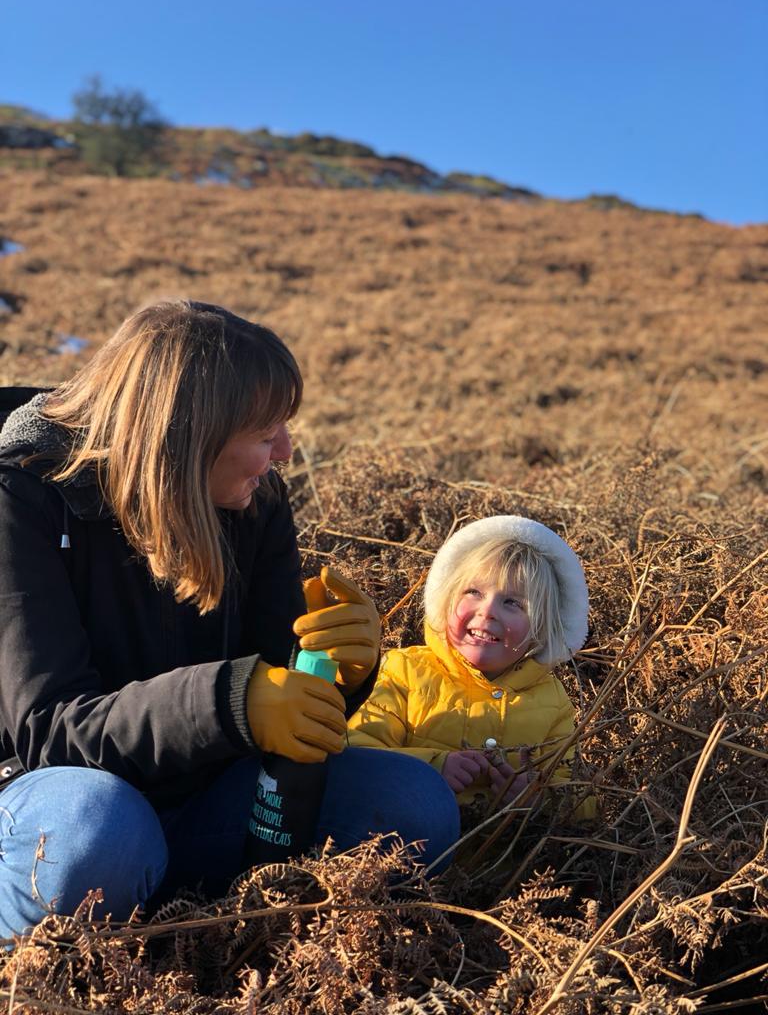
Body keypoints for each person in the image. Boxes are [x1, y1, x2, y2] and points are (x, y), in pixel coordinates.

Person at [0, 300, 459, 940]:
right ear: (189, 431)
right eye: (265, 431)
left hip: (202, 798)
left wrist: (340, 675)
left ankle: (177, 913)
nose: (287, 453)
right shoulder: (21, 497)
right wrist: (230, 701)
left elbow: (278, 692)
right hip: (55, 803)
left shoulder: (254, 500)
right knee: (97, 834)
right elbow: (47, 731)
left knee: (414, 803)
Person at [348, 515, 591, 815]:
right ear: (446, 600)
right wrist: (432, 768)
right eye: (473, 592)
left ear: (541, 630)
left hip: (496, 859)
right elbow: (357, 755)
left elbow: (579, 802)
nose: (487, 611)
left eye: (513, 603)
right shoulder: (403, 671)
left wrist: (536, 798)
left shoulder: (554, 705)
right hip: (399, 849)